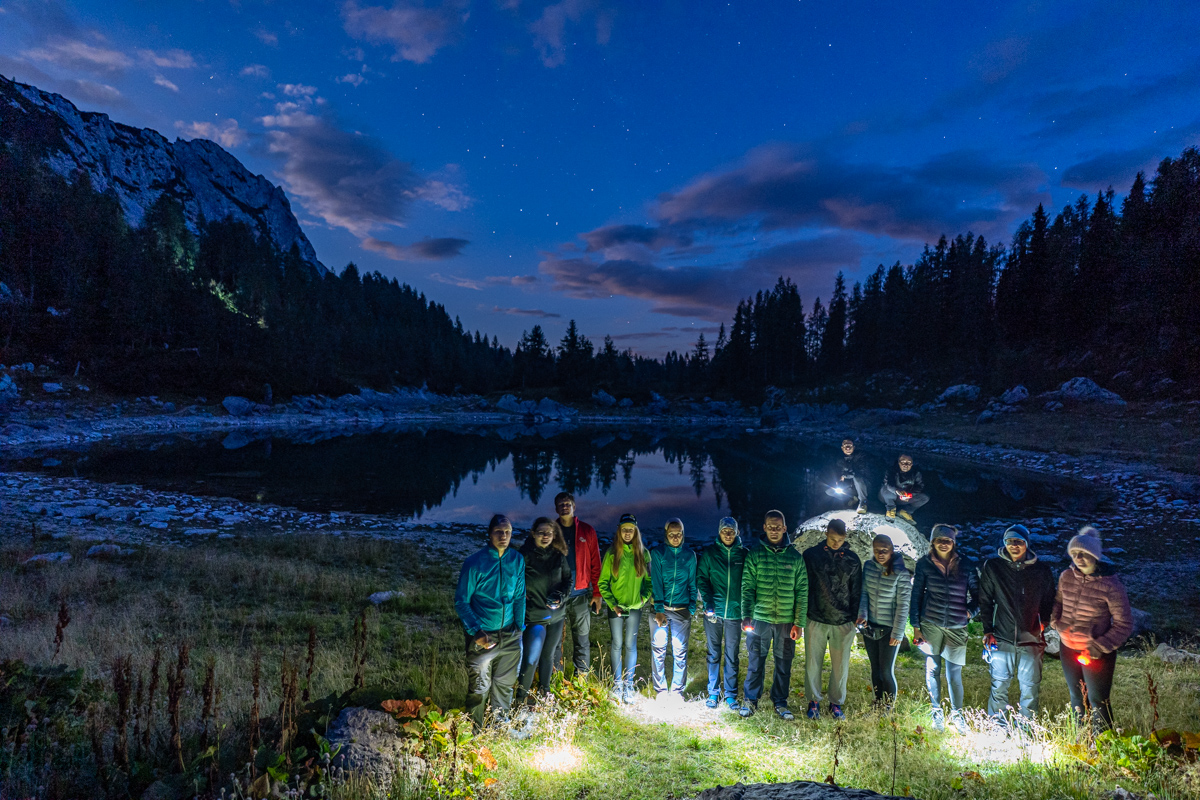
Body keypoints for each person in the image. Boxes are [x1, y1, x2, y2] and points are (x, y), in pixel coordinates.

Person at [1051, 526, 1133, 733]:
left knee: (1098, 700)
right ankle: (1081, 740)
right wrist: (1055, 621)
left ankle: (1104, 744)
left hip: (1096, 652)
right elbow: (1058, 602)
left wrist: (1100, 646)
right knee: (1076, 695)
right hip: (1068, 646)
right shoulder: (1066, 577)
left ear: (1095, 556)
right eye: (1074, 554)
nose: (1078, 558)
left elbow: (1124, 624)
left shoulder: (1111, 586)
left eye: (1084, 554)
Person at [978, 524, 1056, 724]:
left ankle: (1027, 730)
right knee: (999, 685)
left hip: (1031, 638)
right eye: (1009, 541)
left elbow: (1049, 599)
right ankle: (997, 727)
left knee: (1030, 687)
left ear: (1026, 544)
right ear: (1004, 543)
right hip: (1001, 636)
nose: (1014, 545)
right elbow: (985, 600)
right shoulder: (993, 567)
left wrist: (1044, 622)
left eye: (1019, 541)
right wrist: (987, 630)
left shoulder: (1041, 570)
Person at [454, 514, 526, 730]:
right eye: (499, 531)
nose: (504, 536)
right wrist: (475, 631)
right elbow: (461, 601)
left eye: (508, 532)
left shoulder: (517, 559)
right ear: (490, 533)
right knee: (479, 686)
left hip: (511, 632)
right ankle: (473, 730)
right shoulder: (475, 563)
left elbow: (520, 595)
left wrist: (520, 625)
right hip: (485, 634)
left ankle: (499, 725)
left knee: (505, 683)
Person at [739, 510, 808, 720]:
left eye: (778, 527)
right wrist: (746, 615)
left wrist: (799, 623)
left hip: (786, 622)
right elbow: (747, 587)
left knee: (784, 664)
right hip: (760, 619)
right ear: (765, 528)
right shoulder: (755, 555)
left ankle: (780, 702)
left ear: (785, 529)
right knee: (755, 662)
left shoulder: (795, 558)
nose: (775, 530)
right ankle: (751, 700)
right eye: (771, 526)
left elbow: (802, 591)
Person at [910, 523, 978, 733]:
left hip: (957, 626)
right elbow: (916, 595)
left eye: (948, 540)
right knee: (933, 668)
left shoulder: (966, 564)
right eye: (939, 540)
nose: (944, 543)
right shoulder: (924, 564)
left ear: (954, 543)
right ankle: (936, 711)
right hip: (931, 622)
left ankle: (957, 715)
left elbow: (979, 595)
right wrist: (915, 626)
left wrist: (969, 613)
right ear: (933, 542)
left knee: (954, 673)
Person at [802, 518, 862, 720]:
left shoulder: (852, 559)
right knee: (812, 663)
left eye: (840, 539)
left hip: (844, 620)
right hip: (816, 617)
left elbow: (857, 590)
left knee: (840, 665)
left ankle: (836, 703)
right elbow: (804, 586)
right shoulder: (811, 555)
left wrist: (855, 618)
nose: (836, 542)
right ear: (826, 533)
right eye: (833, 538)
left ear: (845, 537)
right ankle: (814, 701)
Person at [515, 517, 573, 707]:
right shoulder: (525, 555)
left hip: (557, 616)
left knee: (548, 656)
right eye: (541, 532)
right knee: (531, 659)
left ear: (554, 535)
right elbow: (514, 580)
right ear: (533, 534)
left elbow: (568, 580)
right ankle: (520, 698)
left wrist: (561, 596)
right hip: (535, 617)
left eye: (549, 533)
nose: (545, 536)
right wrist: (521, 594)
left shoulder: (558, 556)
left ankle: (544, 692)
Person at [598, 513, 653, 704]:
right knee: (616, 644)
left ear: (636, 531)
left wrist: (642, 600)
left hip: (635, 607)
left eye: (631, 529)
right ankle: (617, 683)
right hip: (616, 607)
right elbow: (603, 582)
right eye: (624, 530)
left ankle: (629, 684)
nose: (627, 533)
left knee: (631, 645)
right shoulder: (612, 553)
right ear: (619, 531)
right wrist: (612, 603)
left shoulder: (643, 554)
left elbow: (649, 582)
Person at [550, 492, 604, 678]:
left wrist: (597, 593)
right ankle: (557, 680)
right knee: (556, 641)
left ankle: (580, 680)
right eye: (561, 504)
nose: (564, 506)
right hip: (557, 594)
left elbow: (596, 564)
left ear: (574, 506)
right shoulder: (551, 530)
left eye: (568, 503)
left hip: (580, 594)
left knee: (581, 639)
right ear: (556, 508)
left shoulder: (587, 531)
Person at [697, 516, 749, 710]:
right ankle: (713, 692)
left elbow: (748, 584)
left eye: (731, 531)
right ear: (719, 532)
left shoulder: (744, 554)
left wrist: (746, 611)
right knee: (713, 652)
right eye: (724, 530)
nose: (728, 534)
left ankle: (730, 694)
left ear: (737, 532)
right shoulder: (710, 554)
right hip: (714, 613)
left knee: (732, 654)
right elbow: (702, 579)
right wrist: (708, 602)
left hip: (735, 614)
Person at [857, 534, 912, 710]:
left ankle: (888, 706)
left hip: (889, 628)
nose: (880, 554)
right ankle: (877, 701)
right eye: (876, 551)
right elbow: (864, 593)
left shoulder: (901, 573)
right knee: (875, 668)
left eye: (884, 551)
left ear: (891, 551)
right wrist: (862, 615)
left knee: (886, 670)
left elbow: (903, 605)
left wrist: (898, 632)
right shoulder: (869, 567)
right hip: (870, 627)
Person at [649, 517, 698, 700]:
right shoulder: (658, 553)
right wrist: (659, 609)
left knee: (680, 650)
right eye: (671, 534)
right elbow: (657, 582)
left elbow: (693, 583)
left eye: (678, 534)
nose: (675, 538)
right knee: (659, 649)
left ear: (683, 535)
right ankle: (661, 689)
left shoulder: (689, 555)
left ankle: (677, 690)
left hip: (681, 609)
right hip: (661, 609)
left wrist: (692, 606)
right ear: (666, 535)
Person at [880, 454, 929, 522]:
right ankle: (890, 509)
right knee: (887, 489)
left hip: (903, 498)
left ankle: (905, 511)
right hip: (887, 497)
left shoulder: (916, 473)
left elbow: (920, 486)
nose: (905, 465)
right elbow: (888, 484)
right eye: (903, 462)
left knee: (924, 498)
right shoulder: (891, 470)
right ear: (899, 463)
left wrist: (909, 494)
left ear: (911, 464)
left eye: (908, 463)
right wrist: (897, 491)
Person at [826, 439, 869, 514]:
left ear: (854, 447)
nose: (848, 448)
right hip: (848, 487)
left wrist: (845, 475)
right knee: (829, 491)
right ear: (842, 448)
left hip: (861, 486)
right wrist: (838, 479)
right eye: (845, 446)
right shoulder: (838, 459)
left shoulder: (860, 457)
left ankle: (863, 502)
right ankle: (851, 498)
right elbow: (836, 472)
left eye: (850, 446)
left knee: (857, 478)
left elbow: (859, 472)